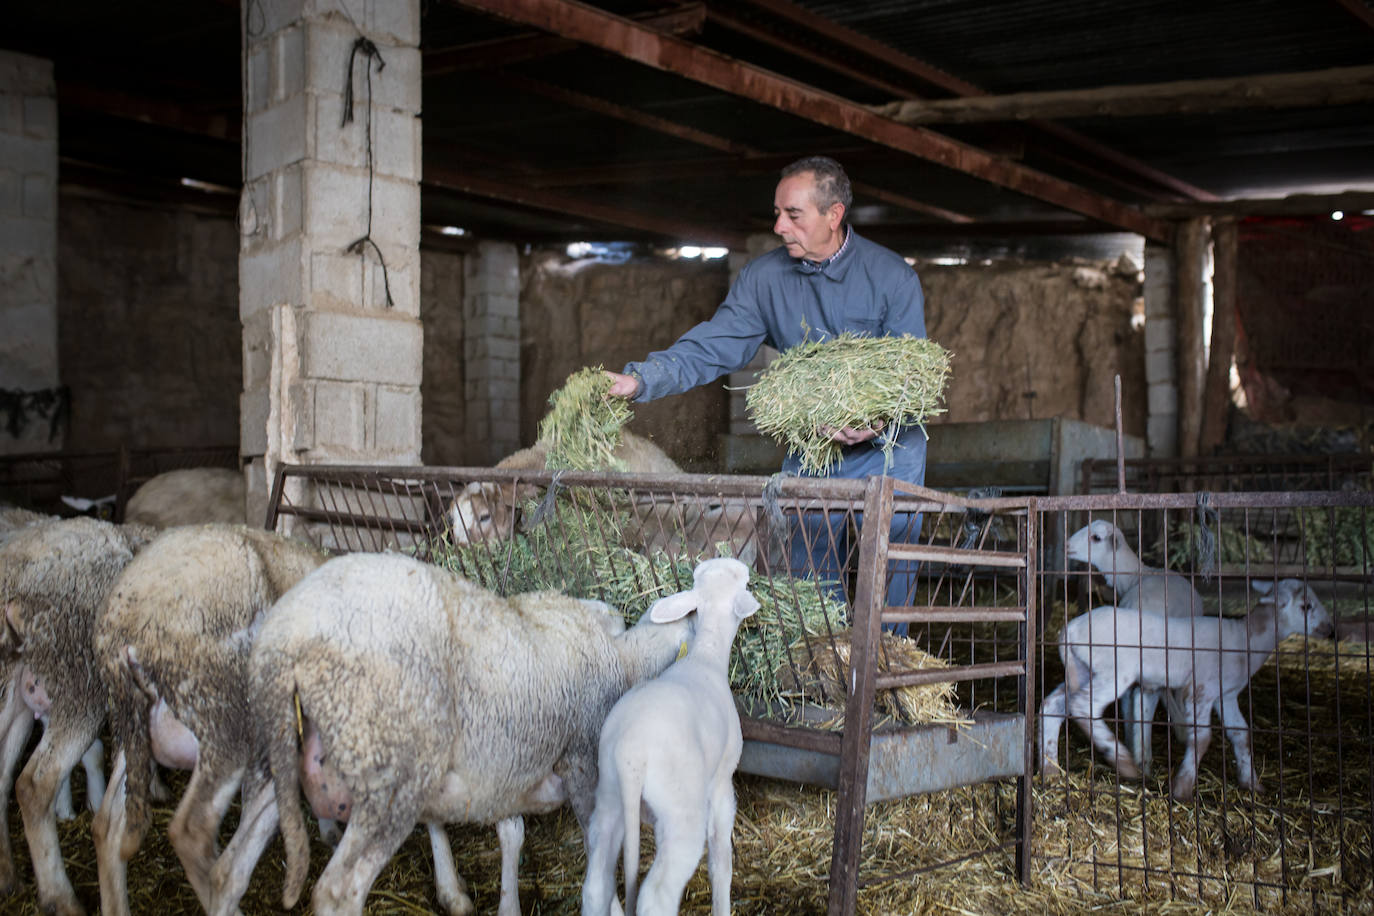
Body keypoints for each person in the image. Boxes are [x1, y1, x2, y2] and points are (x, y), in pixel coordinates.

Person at [605, 155, 928, 624]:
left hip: (888, 447)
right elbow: (713, 346)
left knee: (888, 559)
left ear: (833, 215)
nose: (779, 225)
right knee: (805, 570)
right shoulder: (765, 279)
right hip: (814, 445)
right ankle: (819, 669)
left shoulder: (892, 278)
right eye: (777, 212)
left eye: (792, 214)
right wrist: (640, 380)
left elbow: (909, 371)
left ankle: (888, 668)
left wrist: (875, 422)